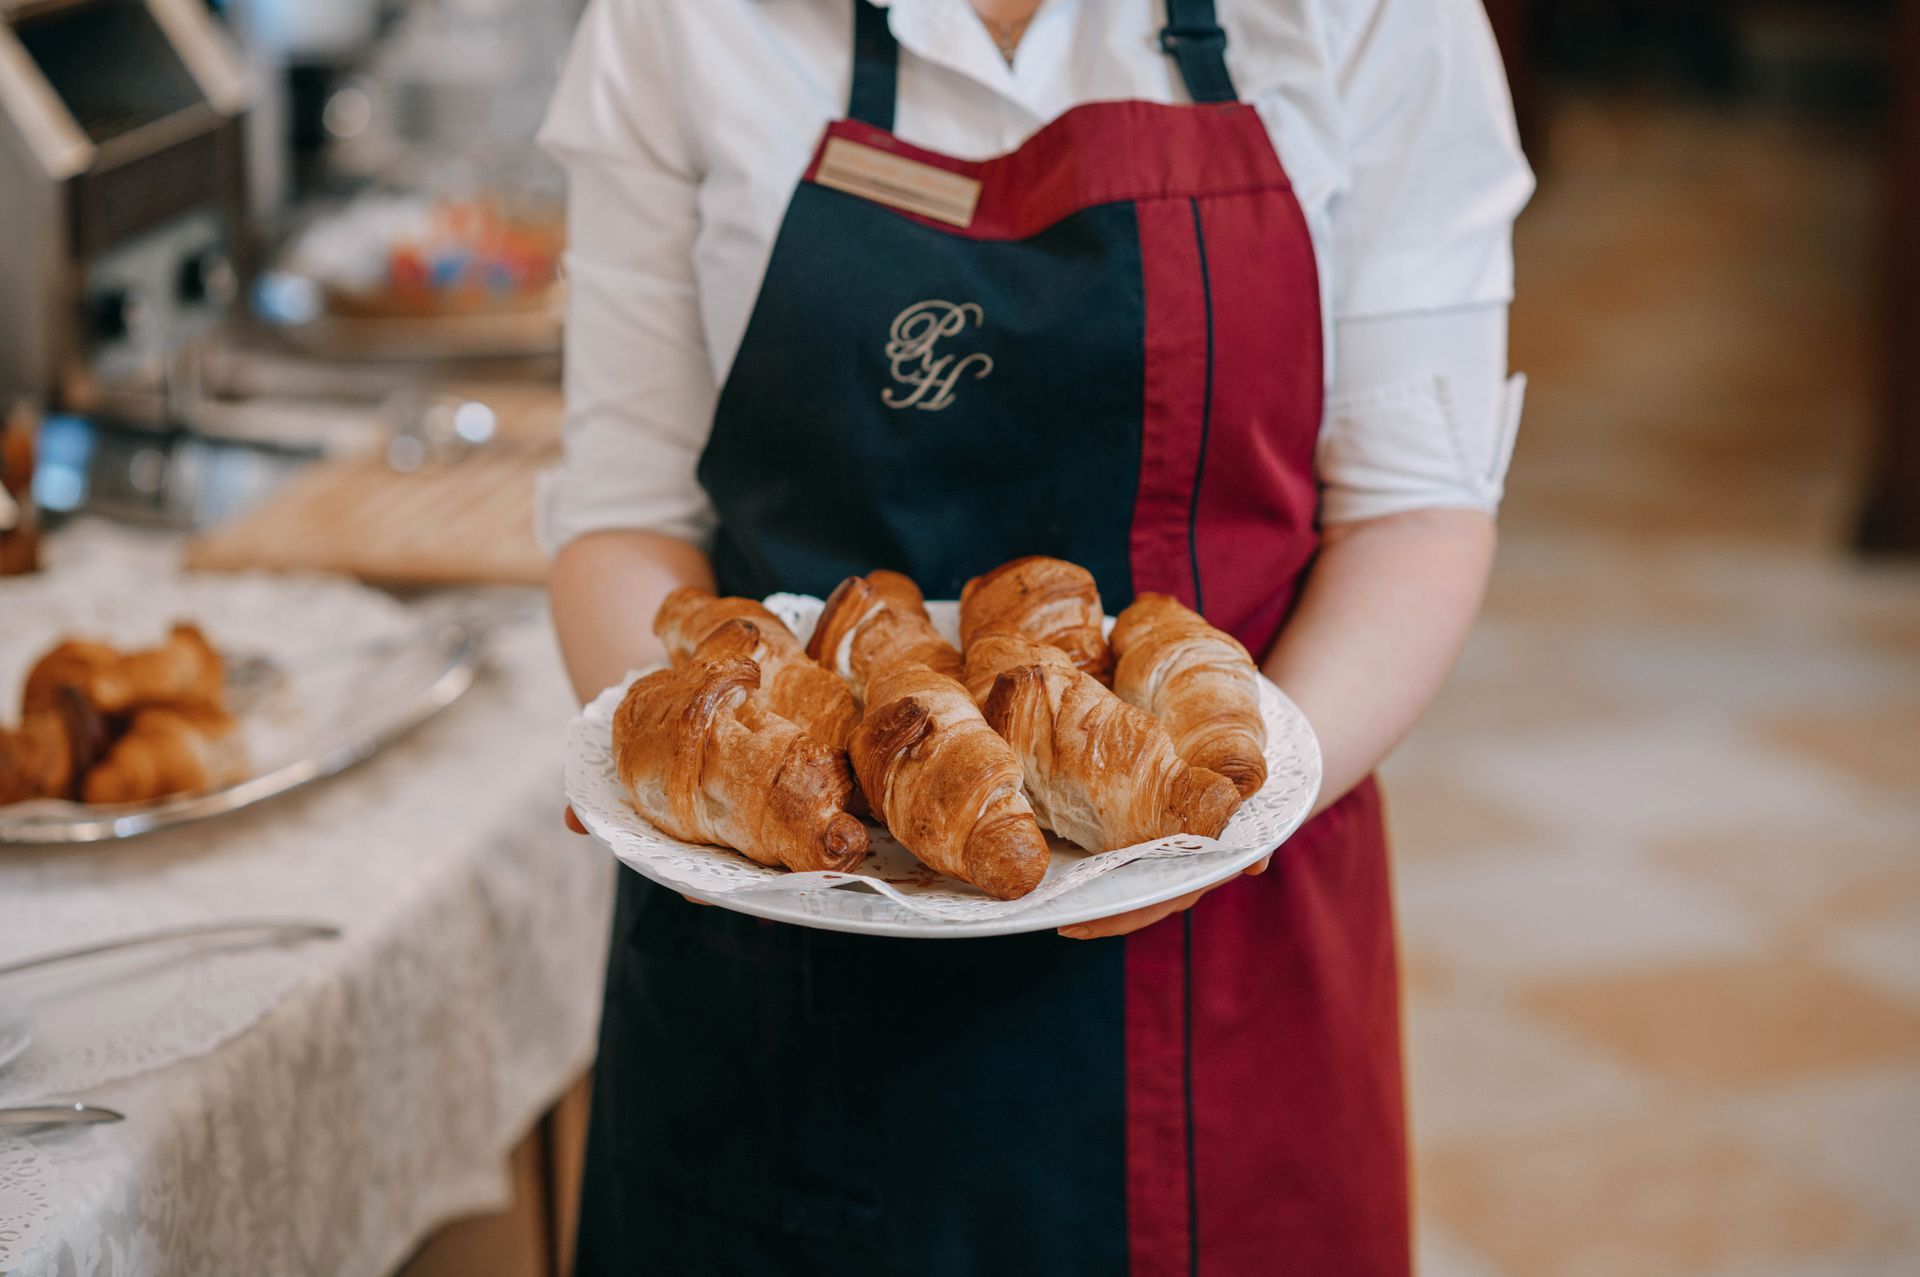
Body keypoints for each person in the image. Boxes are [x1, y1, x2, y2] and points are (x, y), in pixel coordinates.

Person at [540, 0, 1532, 1272]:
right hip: (780, 965)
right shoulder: (676, 20)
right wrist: (692, 768)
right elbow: (625, 517)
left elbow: (1415, 510)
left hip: (1226, 954)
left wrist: (1246, 800)